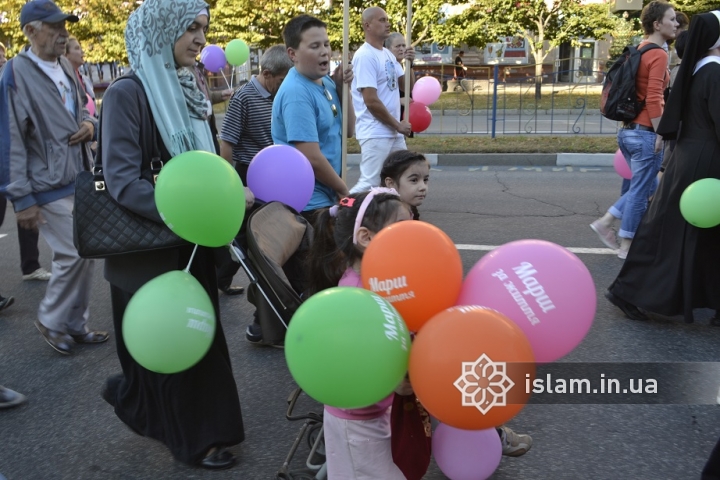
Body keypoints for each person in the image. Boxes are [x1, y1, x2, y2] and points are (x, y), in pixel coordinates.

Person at [98, 0, 243, 469]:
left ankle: (185, 420)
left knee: (198, 339)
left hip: (192, 241)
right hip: (147, 246)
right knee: (170, 344)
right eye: (190, 28)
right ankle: (196, 440)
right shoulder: (128, 93)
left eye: (204, 28)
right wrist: (183, 210)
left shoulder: (189, 87)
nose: (201, 39)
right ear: (159, 32)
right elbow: (122, 180)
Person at [378, 152, 534, 457]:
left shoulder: (409, 218)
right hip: (399, 327)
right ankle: (493, 431)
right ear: (389, 183)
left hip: (417, 317)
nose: (423, 186)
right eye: (414, 180)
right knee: (459, 360)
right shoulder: (386, 222)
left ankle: (492, 422)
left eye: (426, 179)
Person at [0, 0, 107, 355]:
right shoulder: (15, 72)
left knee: (86, 253)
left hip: (76, 173)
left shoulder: (64, 64)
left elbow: (84, 108)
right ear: (30, 31)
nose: (63, 33)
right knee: (73, 253)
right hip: (44, 182)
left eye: (65, 25)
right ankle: (50, 319)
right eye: (54, 27)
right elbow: (11, 137)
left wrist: (91, 125)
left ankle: (75, 325)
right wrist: (22, 199)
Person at [605, 10, 720, 325]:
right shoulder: (714, 72)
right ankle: (629, 291)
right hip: (707, 163)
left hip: (687, 158)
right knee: (679, 234)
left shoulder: (697, 70)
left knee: (675, 232)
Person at [305, 188, 413, 478]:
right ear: (366, 237)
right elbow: (351, 367)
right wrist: (394, 381)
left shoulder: (383, 281)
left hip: (379, 409)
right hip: (358, 421)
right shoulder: (354, 296)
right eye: (402, 230)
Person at [589, 0, 679, 259]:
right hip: (645, 133)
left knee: (648, 185)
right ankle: (624, 242)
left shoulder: (639, 49)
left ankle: (612, 224)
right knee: (641, 190)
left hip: (627, 132)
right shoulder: (659, 54)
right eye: (671, 19)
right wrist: (661, 133)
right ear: (656, 23)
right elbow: (654, 98)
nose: (675, 24)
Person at [272, 14, 354, 221]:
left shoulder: (325, 82)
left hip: (332, 192)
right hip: (310, 203)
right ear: (293, 54)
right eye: (315, 46)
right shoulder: (296, 93)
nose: (325, 51)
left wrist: (344, 89)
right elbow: (311, 157)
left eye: (326, 44)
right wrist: (343, 189)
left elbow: (349, 131)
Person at [348, 7, 414, 194]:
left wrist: (408, 64)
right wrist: (397, 125)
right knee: (369, 183)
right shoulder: (365, 56)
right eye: (382, 20)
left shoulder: (387, 55)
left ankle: (390, 217)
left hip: (392, 131)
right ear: (368, 25)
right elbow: (371, 101)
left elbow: (406, 87)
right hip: (375, 132)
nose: (388, 23)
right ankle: (340, 212)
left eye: (387, 19)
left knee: (400, 176)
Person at [220, 45, 293, 184]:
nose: (286, 86)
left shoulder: (282, 95)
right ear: (266, 74)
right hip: (251, 173)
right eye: (282, 81)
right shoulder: (243, 97)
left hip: (277, 170)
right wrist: (231, 182)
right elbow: (226, 143)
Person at [379, 150, 429, 220]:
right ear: (391, 183)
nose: (423, 187)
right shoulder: (384, 219)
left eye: (425, 180)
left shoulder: (409, 211)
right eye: (414, 180)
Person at [385, 32, 416, 139]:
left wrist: (410, 64)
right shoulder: (386, 64)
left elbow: (408, 87)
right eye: (398, 46)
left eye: (403, 45)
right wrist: (399, 100)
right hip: (383, 127)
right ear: (388, 49)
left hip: (397, 123)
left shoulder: (397, 65)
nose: (402, 49)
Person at [64, 37, 95, 101]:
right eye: (77, 48)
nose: (82, 51)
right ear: (66, 55)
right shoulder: (63, 82)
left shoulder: (86, 80)